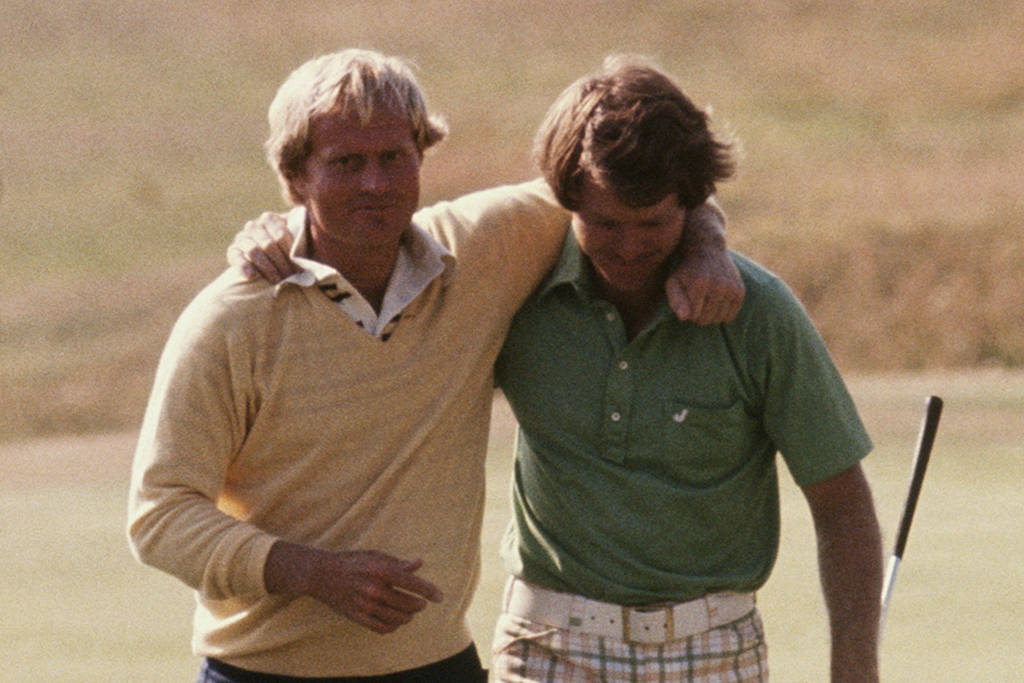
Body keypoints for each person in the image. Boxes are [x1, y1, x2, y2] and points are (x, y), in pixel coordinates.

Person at [127, 49, 743, 682]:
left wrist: (706, 242)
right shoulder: (230, 319)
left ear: (421, 154)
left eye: (393, 157)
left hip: (439, 666)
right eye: (346, 163)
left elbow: (638, 181)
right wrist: (313, 573)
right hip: (261, 670)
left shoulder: (481, 250)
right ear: (296, 175)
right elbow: (160, 514)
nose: (375, 183)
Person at [489, 57, 884, 681]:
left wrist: (855, 670)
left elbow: (842, 505)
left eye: (653, 222)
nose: (628, 246)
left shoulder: (760, 313)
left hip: (715, 650)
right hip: (549, 647)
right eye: (605, 223)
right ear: (565, 199)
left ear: (694, 203)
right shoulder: (513, 288)